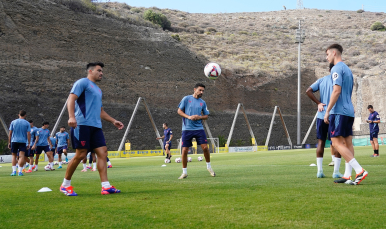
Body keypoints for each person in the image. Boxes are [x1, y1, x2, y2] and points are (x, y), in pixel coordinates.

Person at [60, 62, 124, 196]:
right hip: (82, 124)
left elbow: (100, 111)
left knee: (103, 153)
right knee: (81, 154)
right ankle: (65, 185)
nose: (102, 73)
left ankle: (105, 186)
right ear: (90, 71)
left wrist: (113, 121)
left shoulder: (98, 90)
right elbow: (71, 98)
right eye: (99, 71)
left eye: (102, 71)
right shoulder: (82, 82)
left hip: (96, 126)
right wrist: (71, 117)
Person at [323, 44, 368, 185]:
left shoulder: (336, 68)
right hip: (349, 111)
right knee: (348, 143)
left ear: (334, 53)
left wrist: (328, 110)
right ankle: (348, 175)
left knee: (336, 142)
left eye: (327, 54)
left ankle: (359, 170)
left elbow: (336, 91)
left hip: (339, 111)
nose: (327, 57)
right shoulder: (348, 69)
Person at [306, 63, 342, 178]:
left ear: (329, 69)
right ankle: (336, 172)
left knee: (321, 142)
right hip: (335, 115)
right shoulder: (340, 81)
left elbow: (308, 91)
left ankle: (320, 171)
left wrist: (319, 103)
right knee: (337, 143)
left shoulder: (321, 80)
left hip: (321, 115)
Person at [177, 83, 215, 179]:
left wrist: (199, 117)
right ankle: (184, 172)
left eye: (203, 91)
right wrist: (189, 117)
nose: (201, 92)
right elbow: (179, 111)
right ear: (195, 89)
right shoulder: (186, 99)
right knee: (185, 150)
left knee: (205, 148)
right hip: (187, 129)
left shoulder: (203, 102)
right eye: (200, 90)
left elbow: (206, 116)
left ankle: (209, 167)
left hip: (199, 128)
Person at [8, 110, 31, 176]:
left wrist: (9, 142)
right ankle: (20, 172)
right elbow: (28, 134)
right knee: (21, 156)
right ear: (25, 115)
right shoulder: (27, 123)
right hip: (23, 141)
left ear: (19, 115)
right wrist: (29, 143)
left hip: (14, 141)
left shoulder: (13, 122)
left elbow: (10, 133)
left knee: (14, 155)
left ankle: (14, 171)